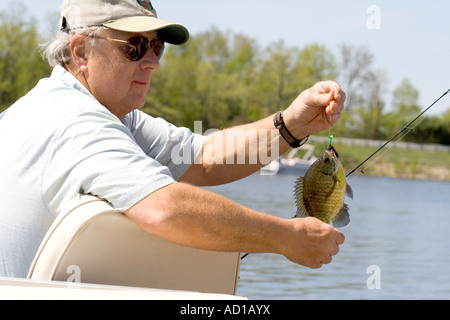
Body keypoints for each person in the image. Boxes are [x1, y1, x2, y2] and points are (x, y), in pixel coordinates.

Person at [0, 0, 346, 279]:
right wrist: (289, 238)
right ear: (80, 52)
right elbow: (165, 209)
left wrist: (291, 125)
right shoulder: (73, 122)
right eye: (134, 47)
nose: (153, 62)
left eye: (156, 46)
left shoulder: (111, 115)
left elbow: (206, 158)